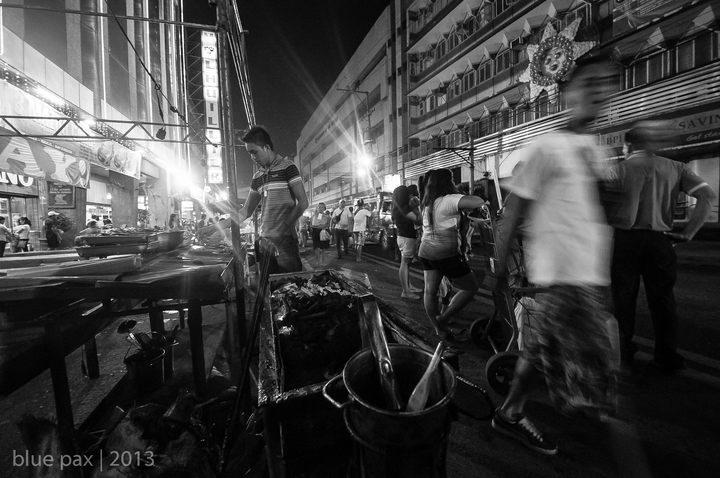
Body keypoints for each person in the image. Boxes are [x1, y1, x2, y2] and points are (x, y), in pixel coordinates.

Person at [492, 56, 624, 457]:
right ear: (569, 92)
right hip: (560, 274)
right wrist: (499, 269)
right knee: (555, 353)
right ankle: (514, 413)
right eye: (590, 83)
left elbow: (593, 214)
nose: (599, 91)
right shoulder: (547, 146)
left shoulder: (595, 149)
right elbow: (513, 210)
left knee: (543, 350)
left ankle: (519, 411)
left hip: (587, 274)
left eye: (607, 84)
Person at [607, 121, 717, 373]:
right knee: (663, 300)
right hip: (660, 240)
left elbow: (603, 208)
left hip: (624, 240)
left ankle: (623, 352)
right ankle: (667, 356)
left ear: (628, 145)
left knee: (623, 299)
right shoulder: (676, 168)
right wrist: (688, 232)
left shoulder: (616, 171)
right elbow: (707, 197)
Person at [200, 125, 308, 273]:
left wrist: (286, 225)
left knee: (290, 282)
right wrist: (215, 227)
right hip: (265, 241)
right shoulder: (258, 177)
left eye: (254, 152)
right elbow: (245, 211)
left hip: (285, 241)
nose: (252, 157)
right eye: (249, 153)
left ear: (267, 148)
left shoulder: (287, 167)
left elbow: (303, 202)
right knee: (268, 284)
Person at [418, 168, 485, 339]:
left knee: (429, 292)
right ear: (447, 183)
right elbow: (477, 201)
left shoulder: (428, 203)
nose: (454, 183)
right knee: (470, 287)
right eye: (453, 180)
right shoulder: (448, 200)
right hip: (445, 254)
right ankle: (444, 317)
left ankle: (439, 329)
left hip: (426, 251)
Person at [392, 185, 423, 299]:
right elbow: (419, 221)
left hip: (403, 237)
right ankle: (406, 291)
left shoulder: (397, 207)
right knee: (405, 264)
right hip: (407, 237)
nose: (410, 195)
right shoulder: (403, 208)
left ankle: (409, 286)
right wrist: (417, 207)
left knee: (406, 263)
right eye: (408, 193)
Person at [310, 203, 331, 268]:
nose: (320, 208)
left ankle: (323, 261)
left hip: (323, 232)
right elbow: (311, 225)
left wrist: (320, 226)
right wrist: (319, 226)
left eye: (322, 207)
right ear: (317, 208)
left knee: (323, 248)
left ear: (324, 208)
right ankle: (318, 261)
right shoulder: (313, 216)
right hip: (316, 232)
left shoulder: (327, 217)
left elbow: (328, 225)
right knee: (317, 248)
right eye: (319, 207)